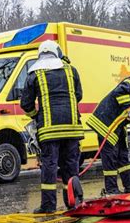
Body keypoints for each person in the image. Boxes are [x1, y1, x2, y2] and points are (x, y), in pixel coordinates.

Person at [21, 40, 84, 213]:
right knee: (71, 166)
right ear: (58, 53)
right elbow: (78, 95)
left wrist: (37, 116)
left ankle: (48, 207)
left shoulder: (35, 73)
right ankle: (73, 203)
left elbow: (26, 103)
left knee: (49, 166)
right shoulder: (71, 70)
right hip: (72, 128)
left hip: (49, 131)